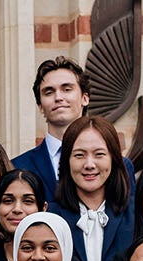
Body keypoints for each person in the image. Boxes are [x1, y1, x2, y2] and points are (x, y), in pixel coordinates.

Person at [51, 115, 133, 261]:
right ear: (66, 161)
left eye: (99, 154)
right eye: (79, 155)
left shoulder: (136, 214)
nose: (89, 164)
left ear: (114, 159)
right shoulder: (51, 217)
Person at [13, 57, 91, 198]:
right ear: (41, 106)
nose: (58, 97)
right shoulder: (17, 167)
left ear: (85, 98)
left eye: (67, 89)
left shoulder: (115, 165)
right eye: (49, 92)